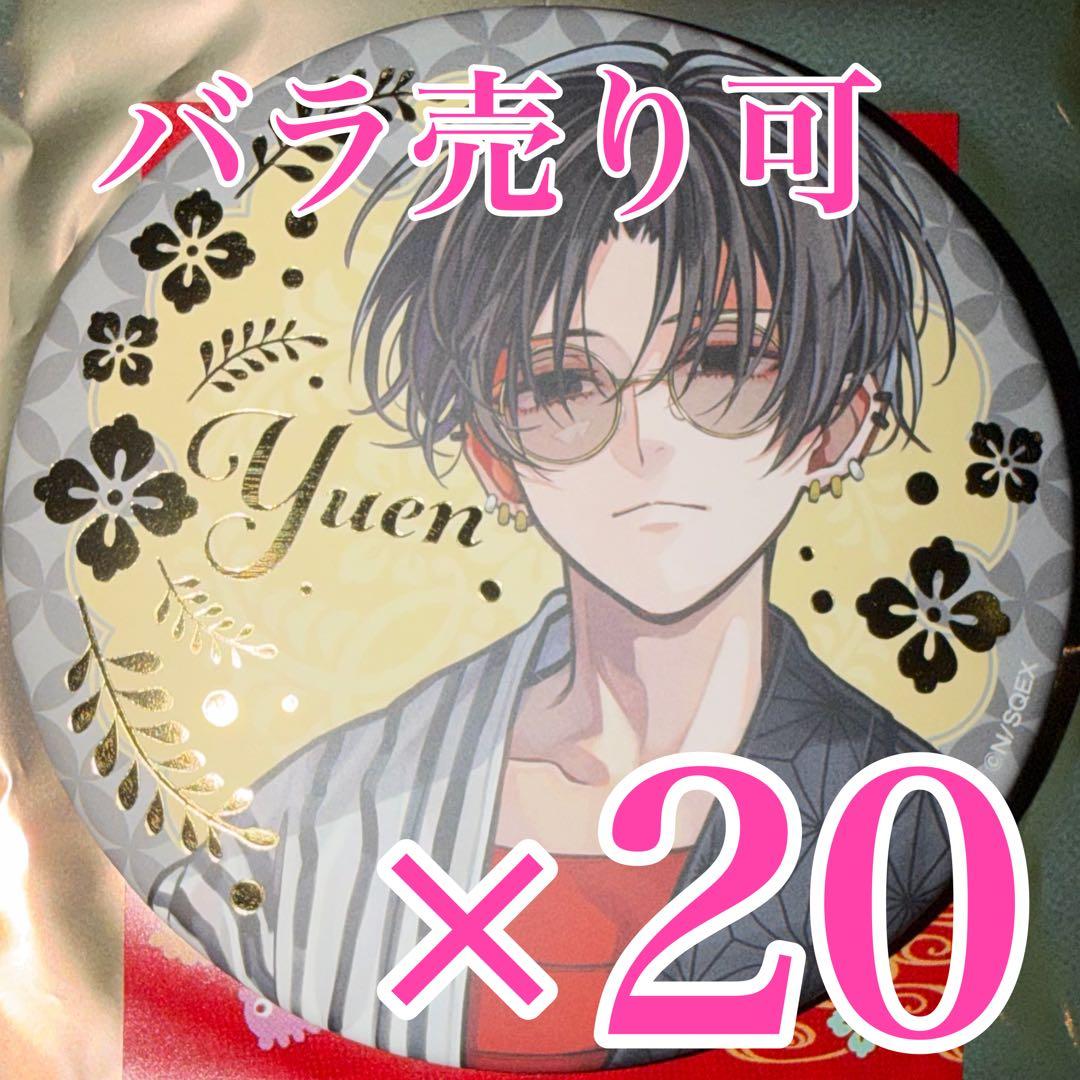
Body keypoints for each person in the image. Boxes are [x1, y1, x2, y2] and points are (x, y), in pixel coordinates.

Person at [150, 43, 956, 1070]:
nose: (647, 443)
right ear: (494, 454)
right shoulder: (315, 818)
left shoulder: (919, 820)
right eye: (564, 382)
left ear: (838, 424)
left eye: (721, 361)